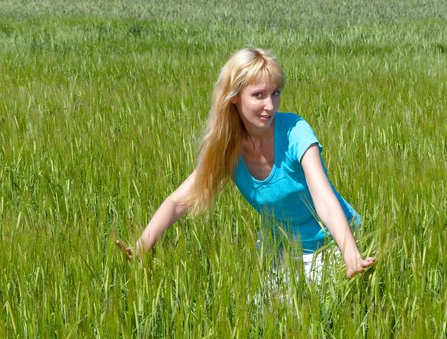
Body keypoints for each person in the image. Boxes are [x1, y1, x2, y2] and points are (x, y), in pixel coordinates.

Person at [117, 47, 376, 280]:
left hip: (329, 245)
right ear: (234, 97)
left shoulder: (296, 132)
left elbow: (324, 198)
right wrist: (142, 246)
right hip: (279, 250)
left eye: (275, 93)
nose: (270, 105)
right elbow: (178, 202)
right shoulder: (228, 149)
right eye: (258, 95)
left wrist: (349, 251)